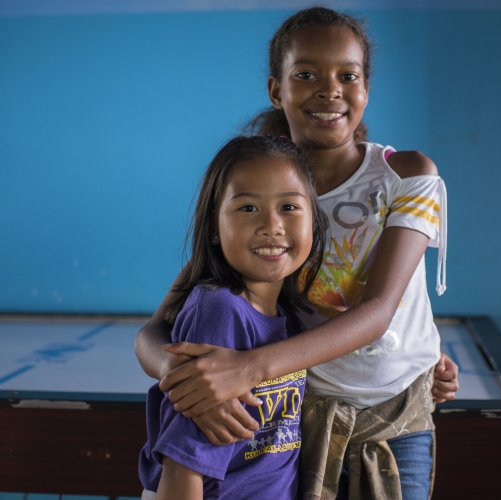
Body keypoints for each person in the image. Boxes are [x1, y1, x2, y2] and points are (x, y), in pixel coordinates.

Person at [136, 6, 459, 499]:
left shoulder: (406, 175)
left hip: (400, 415)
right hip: (300, 413)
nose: (329, 89)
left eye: (347, 75)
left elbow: (377, 314)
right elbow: (153, 332)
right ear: (276, 90)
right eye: (306, 74)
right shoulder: (262, 196)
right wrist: (183, 378)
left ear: (366, 90)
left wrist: (247, 369)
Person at [138, 135, 329, 500]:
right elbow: (184, 466)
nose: (272, 225)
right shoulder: (219, 310)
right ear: (213, 227)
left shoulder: (290, 313)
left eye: (289, 207)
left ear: (313, 221)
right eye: (248, 208)